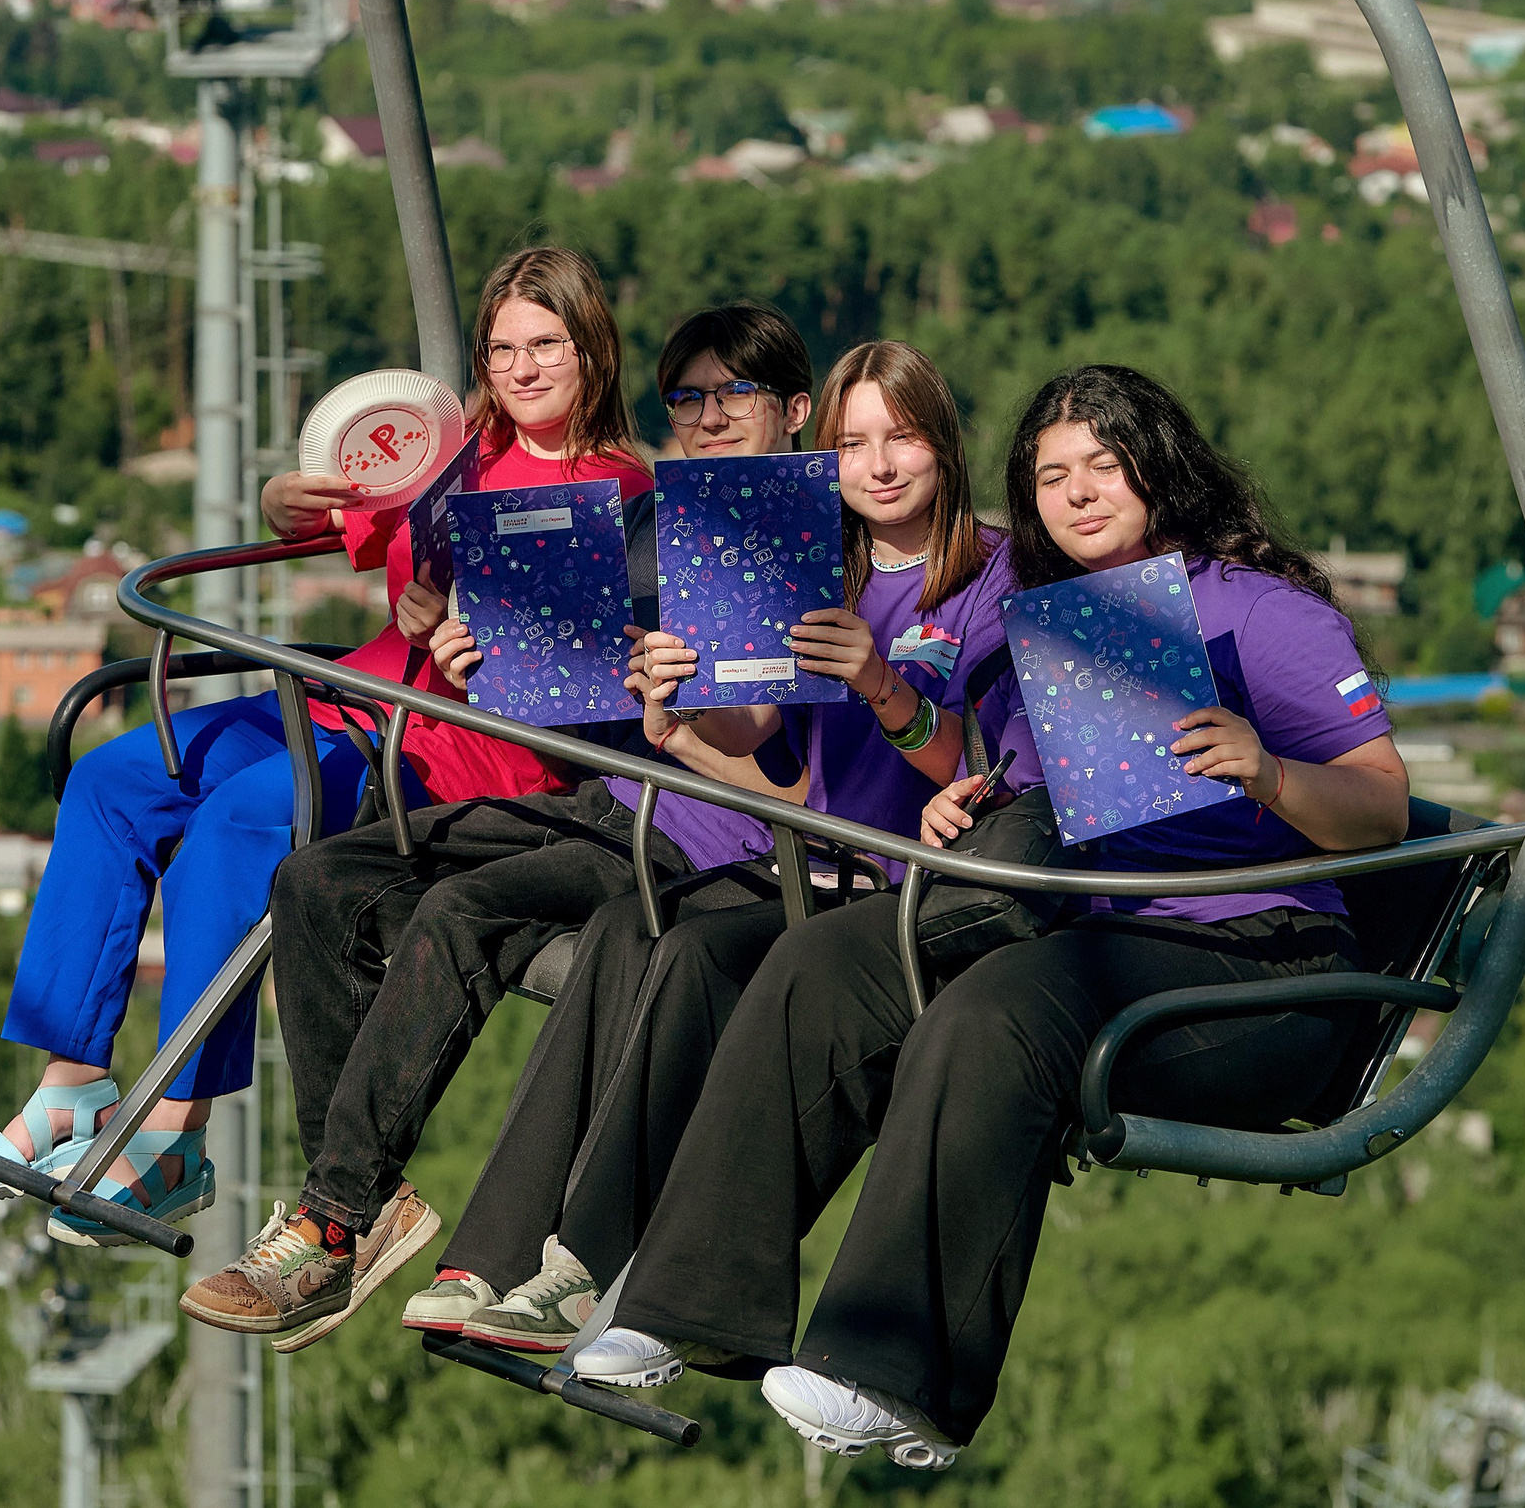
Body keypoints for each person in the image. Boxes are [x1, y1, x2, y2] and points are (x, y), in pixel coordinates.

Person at [569, 364, 1411, 1472]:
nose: (1076, 492)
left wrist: (1266, 771)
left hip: (1254, 958)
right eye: (1050, 474)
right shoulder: (1045, 623)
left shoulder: (1259, 611)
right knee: (829, 957)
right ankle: (688, 1299)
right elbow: (1023, 774)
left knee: (999, 1012)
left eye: (1103, 465)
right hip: (1081, 918)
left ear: (1162, 466)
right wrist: (973, 791)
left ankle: (897, 1369)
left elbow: (1382, 804)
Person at [0, 246, 652, 1246]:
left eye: (546, 344)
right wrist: (289, 506)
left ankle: (172, 1136)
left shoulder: (617, 492)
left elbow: (571, 678)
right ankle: (71, 1081)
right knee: (116, 777)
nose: (521, 368)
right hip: (361, 688)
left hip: (452, 740)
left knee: (243, 820)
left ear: (593, 349)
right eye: (503, 346)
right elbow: (353, 514)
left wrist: (464, 640)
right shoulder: (454, 447)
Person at [173, 300, 825, 1345]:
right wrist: (491, 664)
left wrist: (673, 708)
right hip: (613, 788)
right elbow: (589, 705)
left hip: (701, 834)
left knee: (463, 908)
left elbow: (754, 736)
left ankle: (330, 1225)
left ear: (793, 406)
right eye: (690, 396)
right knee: (320, 882)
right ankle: (353, 1200)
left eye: (733, 393)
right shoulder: (667, 515)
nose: (708, 416)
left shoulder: (773, 524)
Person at [408, 341, 1026, 1358]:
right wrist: (679, 712)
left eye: (901, 437)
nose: (878, 465)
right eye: (853, 442)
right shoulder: (811, 565)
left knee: (695, 955)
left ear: (943, 445)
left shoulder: (992, 580)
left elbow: (984, 767)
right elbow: (759, 739)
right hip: (802, 860)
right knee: (624, 929)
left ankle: (583, 1267)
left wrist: (884, 688)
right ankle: (497, 1251)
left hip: (898, 889)